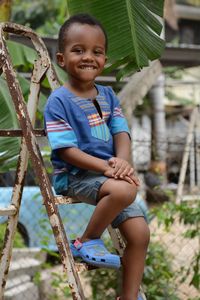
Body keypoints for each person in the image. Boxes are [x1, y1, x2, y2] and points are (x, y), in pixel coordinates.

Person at [44, 13, 150, 300]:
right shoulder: (59, 101)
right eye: (78, 50)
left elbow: (121, 132)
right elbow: (66, 150)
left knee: (140, 234)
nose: (88, 57)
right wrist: (109, 168)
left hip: (110, 177)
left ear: (104, 58)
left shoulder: (108, 95)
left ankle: (128, 297)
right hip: (77, 175)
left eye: (97, 51)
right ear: (62, 59)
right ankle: (87, 240)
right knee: (124, 188)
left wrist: (123, 162)